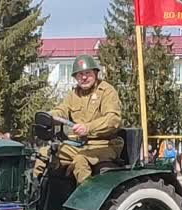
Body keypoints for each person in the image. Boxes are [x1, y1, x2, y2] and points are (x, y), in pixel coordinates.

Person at [33, 55, 123, 184]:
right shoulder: (73, 94)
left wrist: (88, 128)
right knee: (44, 153)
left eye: (87, 73)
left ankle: (87, 199)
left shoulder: (107, 91)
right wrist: (49, 116)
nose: (84, 77)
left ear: (96, 73)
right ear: (75, 77)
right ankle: (37, 196)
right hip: (78, 144)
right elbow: (62, 110)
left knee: (80, 160)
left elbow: (113, 119)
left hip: (104, 145)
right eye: (80, 75)